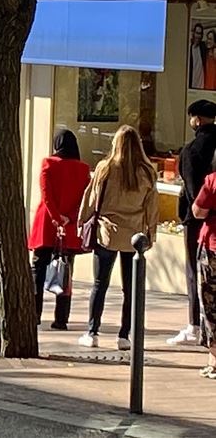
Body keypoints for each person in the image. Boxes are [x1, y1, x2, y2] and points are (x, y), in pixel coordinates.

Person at [77, 125, 159, 350]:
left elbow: (91, 198)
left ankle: (92, 332)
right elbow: (152, 207)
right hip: (135, 236)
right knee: (130, 289)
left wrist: (81, 221)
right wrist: (151, 233)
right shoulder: (147, 172)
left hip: (107, 232)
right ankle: (124, 335)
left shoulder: (105, 168)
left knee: (99, 284)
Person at [27, 128, 91, 330]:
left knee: (38, 270)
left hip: (47, 223)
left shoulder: (48, 164)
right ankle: (61, 319)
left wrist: (56, 217)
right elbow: (85, 200)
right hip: (69, 226)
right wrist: (69, 218)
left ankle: (34, 315)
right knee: (65, 272)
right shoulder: (83, 169)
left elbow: (46, 194)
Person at [172, 99, 216, 346]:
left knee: (195, 273)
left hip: (201, 220)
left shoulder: (192, 150)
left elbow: (193, 193)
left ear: (197, 119)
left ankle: (195, 324)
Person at [186, 167, 216, 378]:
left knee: (210, 303)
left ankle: (215, 358)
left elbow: (198, 211)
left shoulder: (213, 180)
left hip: (212, 248)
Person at [191, 23, 208, 90]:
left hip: (202, 87)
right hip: (192, 86)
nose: (198, 36)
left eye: (200, 34)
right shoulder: (189, 48)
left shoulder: (203, 47)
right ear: (193, 33)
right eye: (197, 33)